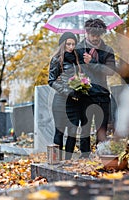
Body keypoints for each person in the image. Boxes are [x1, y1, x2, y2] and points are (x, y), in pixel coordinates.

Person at [75, 18, 116, 157]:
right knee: (85, 125)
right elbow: (71, 69)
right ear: (86, 33)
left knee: (102, 126)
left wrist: (92, 62)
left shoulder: (107, 50)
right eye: (93, 35)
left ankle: (101, 153)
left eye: (98, 35)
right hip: (85, 94)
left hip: (102, 94)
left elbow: (110, 71)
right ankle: (84, 154)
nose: (95, 38)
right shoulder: (78, 49)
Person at [48, 32, 82, 160]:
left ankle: (67, 161)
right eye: (68, 44)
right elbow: (51, 81)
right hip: (60, 102)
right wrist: (68, 92)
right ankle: (57, 161)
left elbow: (80, 78)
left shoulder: (77, 59)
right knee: (60, 132)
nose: (71, 46)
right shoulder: (57, 59)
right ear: (63, 44)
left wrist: (81, 87)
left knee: (73, 133)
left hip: (75, 103)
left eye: (73, 44)